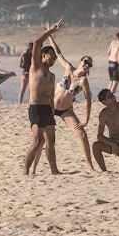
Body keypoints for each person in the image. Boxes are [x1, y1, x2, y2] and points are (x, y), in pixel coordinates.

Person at [23, 20, 65, 176]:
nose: (53, 59)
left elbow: (52, 96)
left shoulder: (52, 76)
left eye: (55, 57)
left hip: (47, 109)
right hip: (36, 109)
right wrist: (52, 30)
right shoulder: (35, 67)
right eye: (51, 56)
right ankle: (25, 170)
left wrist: (53, 113)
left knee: (51, 143)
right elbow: (37, 41)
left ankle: (54, 170)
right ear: (43, 56)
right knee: (37, 141)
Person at [47, 37, 95, 172]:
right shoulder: (68, 68)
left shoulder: (83, 81)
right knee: (42, 138)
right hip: (50, 107)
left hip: (66, 110)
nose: (87, 65)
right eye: (86, 62)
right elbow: (58, 53)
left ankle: (90, 166)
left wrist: (85, 120)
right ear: (80, 61)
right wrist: (50, 35)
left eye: (89, 64)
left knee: (82, 135)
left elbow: (88, 100)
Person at [106, 31, 119, 96]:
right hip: (116, 63)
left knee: (111, 81)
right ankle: (110, 96)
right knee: (115, 81)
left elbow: (108, 52)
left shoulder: (113, 42)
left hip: (110, 62)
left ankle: (106, 95)